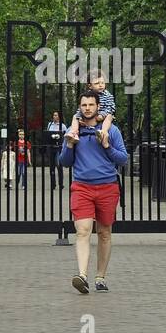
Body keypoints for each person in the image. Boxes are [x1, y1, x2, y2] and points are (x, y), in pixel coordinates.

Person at [60, 90, 129, 293]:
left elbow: (123, 159)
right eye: (84, 105)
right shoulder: (73, 130)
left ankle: (100, 276)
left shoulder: (112, 130)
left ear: (98, 106)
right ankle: (82, 275)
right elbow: (64, 162)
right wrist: (70, 145)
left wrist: (106, 145)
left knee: (104, 232)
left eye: (91, 105)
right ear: (79, 108)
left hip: (107, 186)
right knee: (82, 231)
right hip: (82, 187)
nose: (87, 108)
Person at [72, 69, 117, 149]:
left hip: (104, 115)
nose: (100, 85)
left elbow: (111, 107)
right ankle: (74, 133)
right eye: (97, 83)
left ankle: (103, 133)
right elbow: (83, 107)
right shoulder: (88, 95)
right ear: (90, 86)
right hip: (90, 117)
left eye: (102, 83)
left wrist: (102, 115)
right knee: (75, 117)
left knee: (109, 117)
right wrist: (80, 117)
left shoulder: (107, 95)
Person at [46, 111, 66, 189]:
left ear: (59, 117)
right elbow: (47, 135)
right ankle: (52, 184)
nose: (54, 116)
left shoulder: (63, 126)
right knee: (52, 166)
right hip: (51, 147)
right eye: (53, 115)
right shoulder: (49, 124)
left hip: (58, 147)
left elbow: (65, 136)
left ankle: (61, 183)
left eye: (56, 115)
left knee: (58, 165)